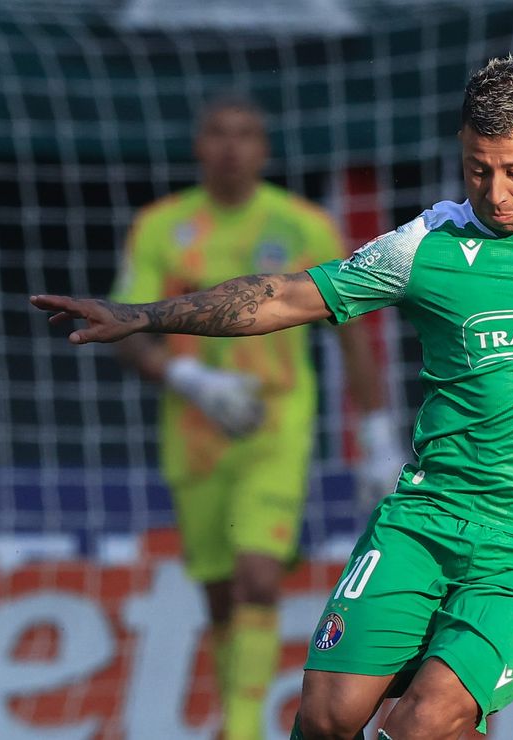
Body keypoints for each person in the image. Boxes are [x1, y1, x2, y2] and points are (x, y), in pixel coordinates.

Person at [33, 55, 513, 740]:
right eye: (477, 169)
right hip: (427, 522)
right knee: (327, 717)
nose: (495, 191)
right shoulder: (425, 247)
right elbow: (288, 296)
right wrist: (145, 316)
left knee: (424, 720)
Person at [105, 95, 404, 739]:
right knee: (219, 592)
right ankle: (235, 711)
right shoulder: (160, 226)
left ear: (265, 151)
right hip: (193, 431)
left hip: (275, 425)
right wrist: (187, 377)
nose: (232, 147)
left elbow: (352, 332)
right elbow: (127, 327)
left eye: (246, 135)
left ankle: (241, 731)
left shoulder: (303, 225)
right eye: (218, 133)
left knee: (257, 576)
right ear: (198, 146)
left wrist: (376, 435)